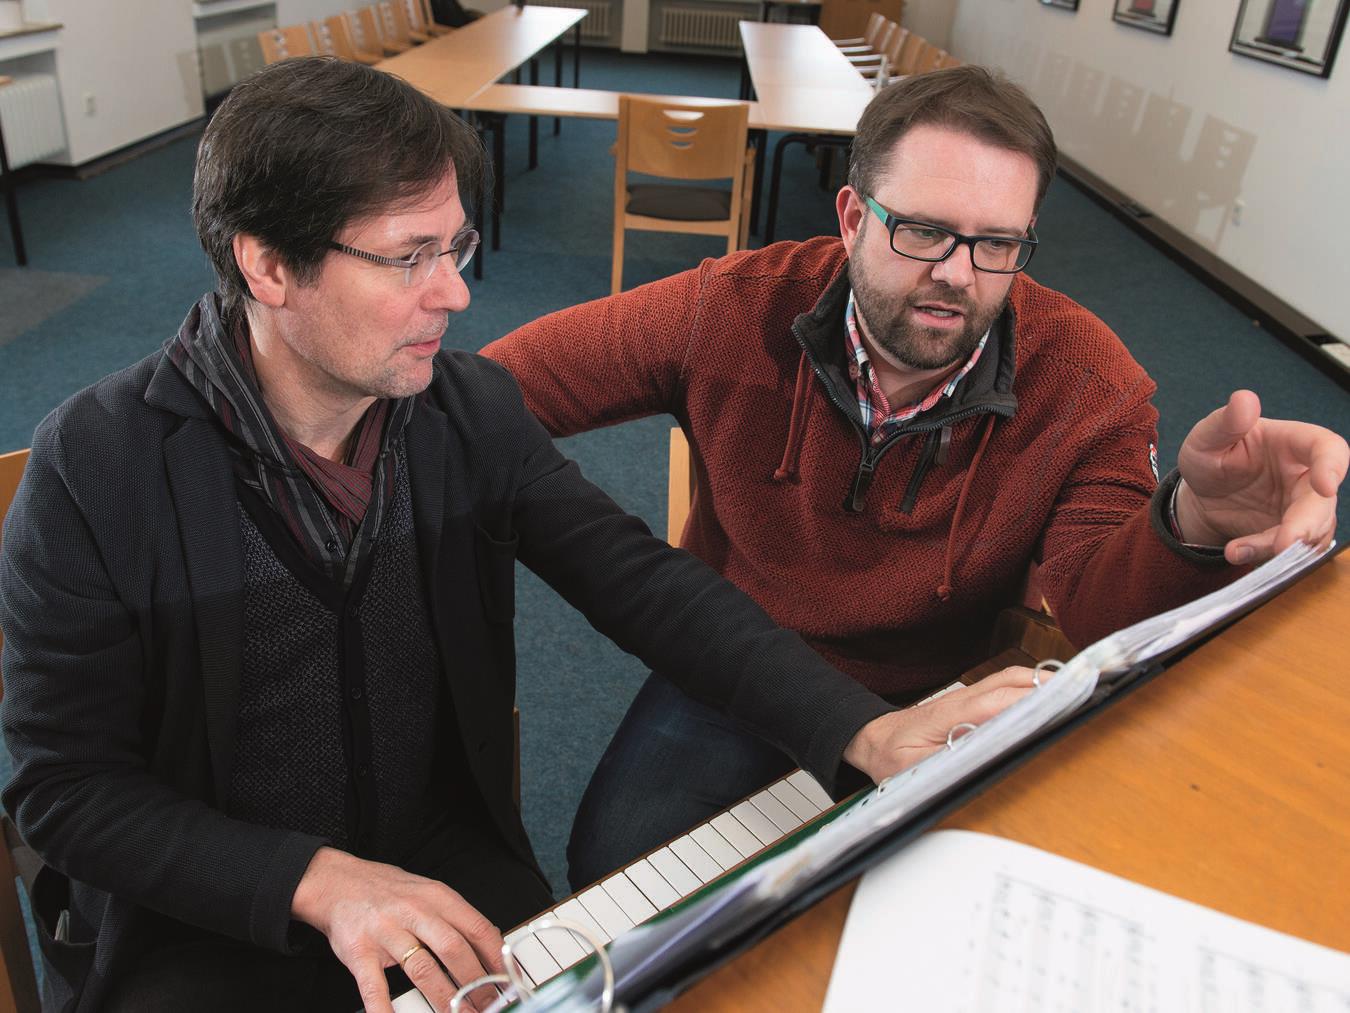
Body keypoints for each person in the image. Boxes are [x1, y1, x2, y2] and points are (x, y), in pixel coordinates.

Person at [0, 58, 1040, 1013]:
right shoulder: (98, 466)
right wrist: (315, 880)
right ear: (268, 266)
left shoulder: (462, 412)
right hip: (209, 913)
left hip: (440, 866)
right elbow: (66, 789)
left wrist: (860, 729)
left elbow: (643, 583)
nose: (455, 291)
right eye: (410, 257)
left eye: (456, 245)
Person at [481, 65, 1348, 890]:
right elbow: (493, 390)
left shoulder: (1090, 385)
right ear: (853, 216)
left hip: (939, 692)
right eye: (923, 230)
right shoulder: (733, 307)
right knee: (617, 867)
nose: (957, 275)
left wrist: (1192, 520)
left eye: (997, 243)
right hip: (736, 667)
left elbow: (1096, 609)